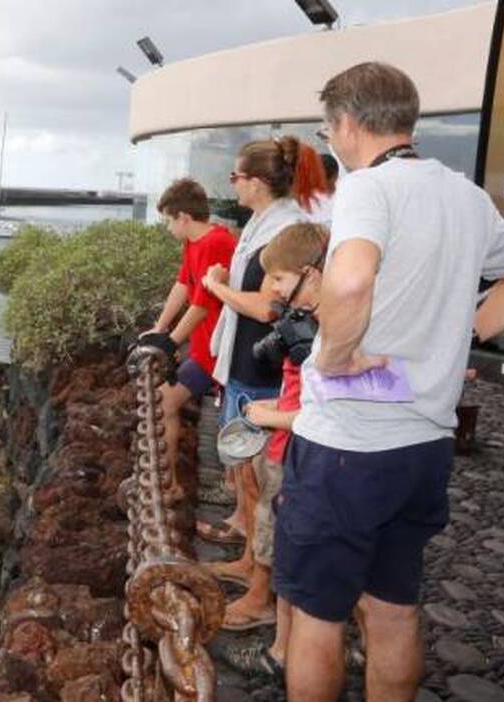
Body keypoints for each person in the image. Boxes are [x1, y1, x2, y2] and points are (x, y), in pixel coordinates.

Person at [276, 62, 504, 701]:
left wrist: (336, 358)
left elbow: (349, 281)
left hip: (346, 445)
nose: (330, 142)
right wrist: (464, 333)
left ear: (348, 124)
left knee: (318, 615)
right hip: (424, 448)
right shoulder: (463, 195)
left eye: (328, 130)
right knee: (393, 608)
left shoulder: (368, 189)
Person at [197, 136, 325, 545]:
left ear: (256, 182)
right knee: (244, 465)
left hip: (261, 364)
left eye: (235, 175)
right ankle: (243, 531)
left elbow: (270, 308)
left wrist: (217, 288)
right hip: (244, 356)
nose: (232, 183)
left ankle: (256, 564)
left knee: (255, 467)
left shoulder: (281, 229)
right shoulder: (261, 223)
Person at [209, 222, 327, 656]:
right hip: (285, 438)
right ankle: (281, 636)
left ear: (311, 273)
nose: (273, 290)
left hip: (290, 443)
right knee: (268, 518)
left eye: (278, 279)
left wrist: (272, 416)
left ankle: (277, 638)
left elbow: (327, 408)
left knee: (279, 534)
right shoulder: (308, 321)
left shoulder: (326, 331)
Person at [140, 179, 237, 486]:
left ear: (183, 217)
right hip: (202, 348)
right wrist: (159, 328)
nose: (168, 227)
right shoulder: (194, 242)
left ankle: (168, 487)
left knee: (169, 402)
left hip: (217, 351)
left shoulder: (216, 243)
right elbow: (183, 285)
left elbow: (202, 306)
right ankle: (169, 484)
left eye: (169, 220)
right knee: (167, 402)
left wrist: (169, 343)